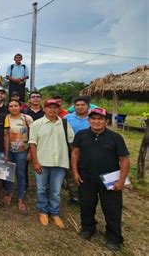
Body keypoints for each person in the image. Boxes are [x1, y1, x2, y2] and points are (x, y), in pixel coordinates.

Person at [71, 108, 130, 251]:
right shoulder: (81, 135)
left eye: (100, 119)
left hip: (109, 180)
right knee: (86, 205)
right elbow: (75, 153)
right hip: (86, 177)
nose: (96, 122)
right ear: (89, 120)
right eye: (93, 119)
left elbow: (124, 160)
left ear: (106, 121)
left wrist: (121, 180)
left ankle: (114, 237)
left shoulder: (115, 138)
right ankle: (88, 228)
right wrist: (75, 172)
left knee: (112, 209)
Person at [29, 98, 74, 228]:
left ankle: (54, 213)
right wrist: (35, 162)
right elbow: (32, 144)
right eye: (50, 107)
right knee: (41, 188)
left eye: (55, 107)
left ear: (59, 109)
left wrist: (72, 162)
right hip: (42, 162)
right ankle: (43, 211)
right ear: (45, 109)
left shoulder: (65, 124)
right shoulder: (37, 124)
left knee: (56, 190)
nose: (52, 110)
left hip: (60, 162)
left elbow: (72, 143)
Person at [3, 100, 33, 213]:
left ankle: (21, 199)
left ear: (20, 107)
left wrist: (30, 151)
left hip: (22, 151)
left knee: (20, 174)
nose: (13, 108)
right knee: (9, 173)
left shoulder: (27, 118)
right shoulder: (7, 118)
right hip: (10, 150)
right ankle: (9, 193)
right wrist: (6, 154)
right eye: (11, 106)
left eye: (16, 106)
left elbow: (33, 135)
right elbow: (6, 136)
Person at [64, 96, 91, 205]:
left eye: (83, 105)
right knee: (71, 173)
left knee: (86, 173)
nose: (80, 107)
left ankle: (86, 195)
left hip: (88, 150)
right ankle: (74, 196)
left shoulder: (93, 118)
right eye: (77, 105)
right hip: (70, 149)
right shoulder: (67, 118)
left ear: (88, 106)